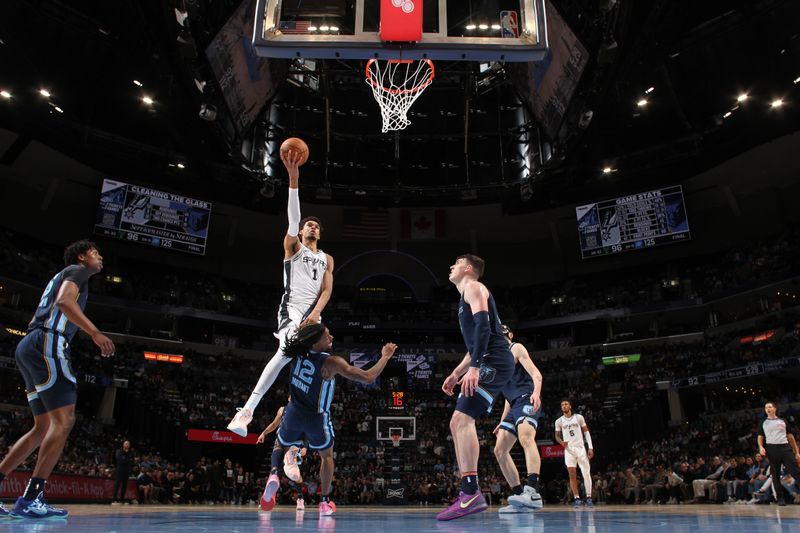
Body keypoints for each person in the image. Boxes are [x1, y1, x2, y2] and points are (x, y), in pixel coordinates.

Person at [0, 240, 114, 520]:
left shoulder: (66, 274)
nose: (100, 258)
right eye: (95, 253)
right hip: (48, 341)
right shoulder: (78, 271)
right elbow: (64, 301)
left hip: (29, 344)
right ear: (81, 256)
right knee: (65, 421)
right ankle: (31, 498)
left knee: (42, 428)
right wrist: (95, 332)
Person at [227, 149, 334, 436]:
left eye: (316, 226)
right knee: (287, 350)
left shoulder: (327, 258)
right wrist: (294, 179)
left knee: (311, 361)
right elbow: (293, 216)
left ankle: (291, 445)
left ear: (319, 235)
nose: (311, 226)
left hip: (314, 315)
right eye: (307, 225)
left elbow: (326, 291)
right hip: (291, 310)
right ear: (299, 232)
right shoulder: (293, 247)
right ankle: (247, 412)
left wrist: (315, 316)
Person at [259, 322, 397, 516]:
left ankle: (274, 473)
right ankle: (324, 502)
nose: (331, 338)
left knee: (280, 445)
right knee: (326, 456)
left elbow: (301, 330)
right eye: (327, 336)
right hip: (316, 418)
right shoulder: (331, 362)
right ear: (315, 343)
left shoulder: (296, 351)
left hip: (293, 412)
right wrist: (385, 357)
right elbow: (367, 377)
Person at [440, 254, 515, 521]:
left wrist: (475, 367)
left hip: (493, 359)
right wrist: (456, 372)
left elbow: (484, 327)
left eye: (455, 263)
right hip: (487, 358)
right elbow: (474, 344)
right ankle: (468, 492)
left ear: (468, 268)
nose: (451, 266)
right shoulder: (465, 296)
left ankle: (471, 492)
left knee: (462, 420)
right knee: (456, 422)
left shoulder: (474, 287)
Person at [492, 325, 544, 513]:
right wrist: (502, 420)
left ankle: (533, 492)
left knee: (525, 438)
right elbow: (508, 397)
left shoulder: (516, 348)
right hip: (514, 404)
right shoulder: (498, 362)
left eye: (502, 334)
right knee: (499, 450)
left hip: (527, 398)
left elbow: (537, 374)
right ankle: (520, 496)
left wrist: (536, 393)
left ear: (510, 335)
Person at [256, 401, 307, 511]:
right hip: (281, 441)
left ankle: (300, 498)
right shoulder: (282, 410)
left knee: (294, 475)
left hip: (294, 444)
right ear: (289, 399)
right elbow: (274, 424)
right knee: (273, 470)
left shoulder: (303, 412)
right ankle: (268, 496)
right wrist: (263, 433)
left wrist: (305, 447)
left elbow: (307, 430)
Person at [757, 401, 800, 506]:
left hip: (785, 447)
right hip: (771, 449)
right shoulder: (763, 422)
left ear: (774, 409)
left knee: (795, 471)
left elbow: (790, 436)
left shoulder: (783, 421)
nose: (768, 409)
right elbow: (760, 437)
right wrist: (761, 447)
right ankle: (780, 499)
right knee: (775, 475)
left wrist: (796, 451)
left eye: (770, 407)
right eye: (766, 407)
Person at [554, 399, 595, 508]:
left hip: (581, 448)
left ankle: (589, 497)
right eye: (562, 404)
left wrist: (590, 447)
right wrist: (561, 442)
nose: (564, 406)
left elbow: (586, 433)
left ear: (570, 406)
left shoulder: (579, 417)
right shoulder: (559, 421)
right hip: (569, 449)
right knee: (572, 474)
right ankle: (577, 498)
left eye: (566, 404)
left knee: (586, 473)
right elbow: (557, 436)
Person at [112, 440, 134, 504]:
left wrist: (127, 460)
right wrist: (128, 460)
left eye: (128, 444)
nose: (127, 445)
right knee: (117, 485)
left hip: (127, 471)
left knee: (124, 486)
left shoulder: (130, 453)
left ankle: (122, 500)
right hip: (120, 470)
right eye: (126, 444)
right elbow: (120, 460)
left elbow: (132, 462)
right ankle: (114, 500)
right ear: (123, 445)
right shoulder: (119, 451)